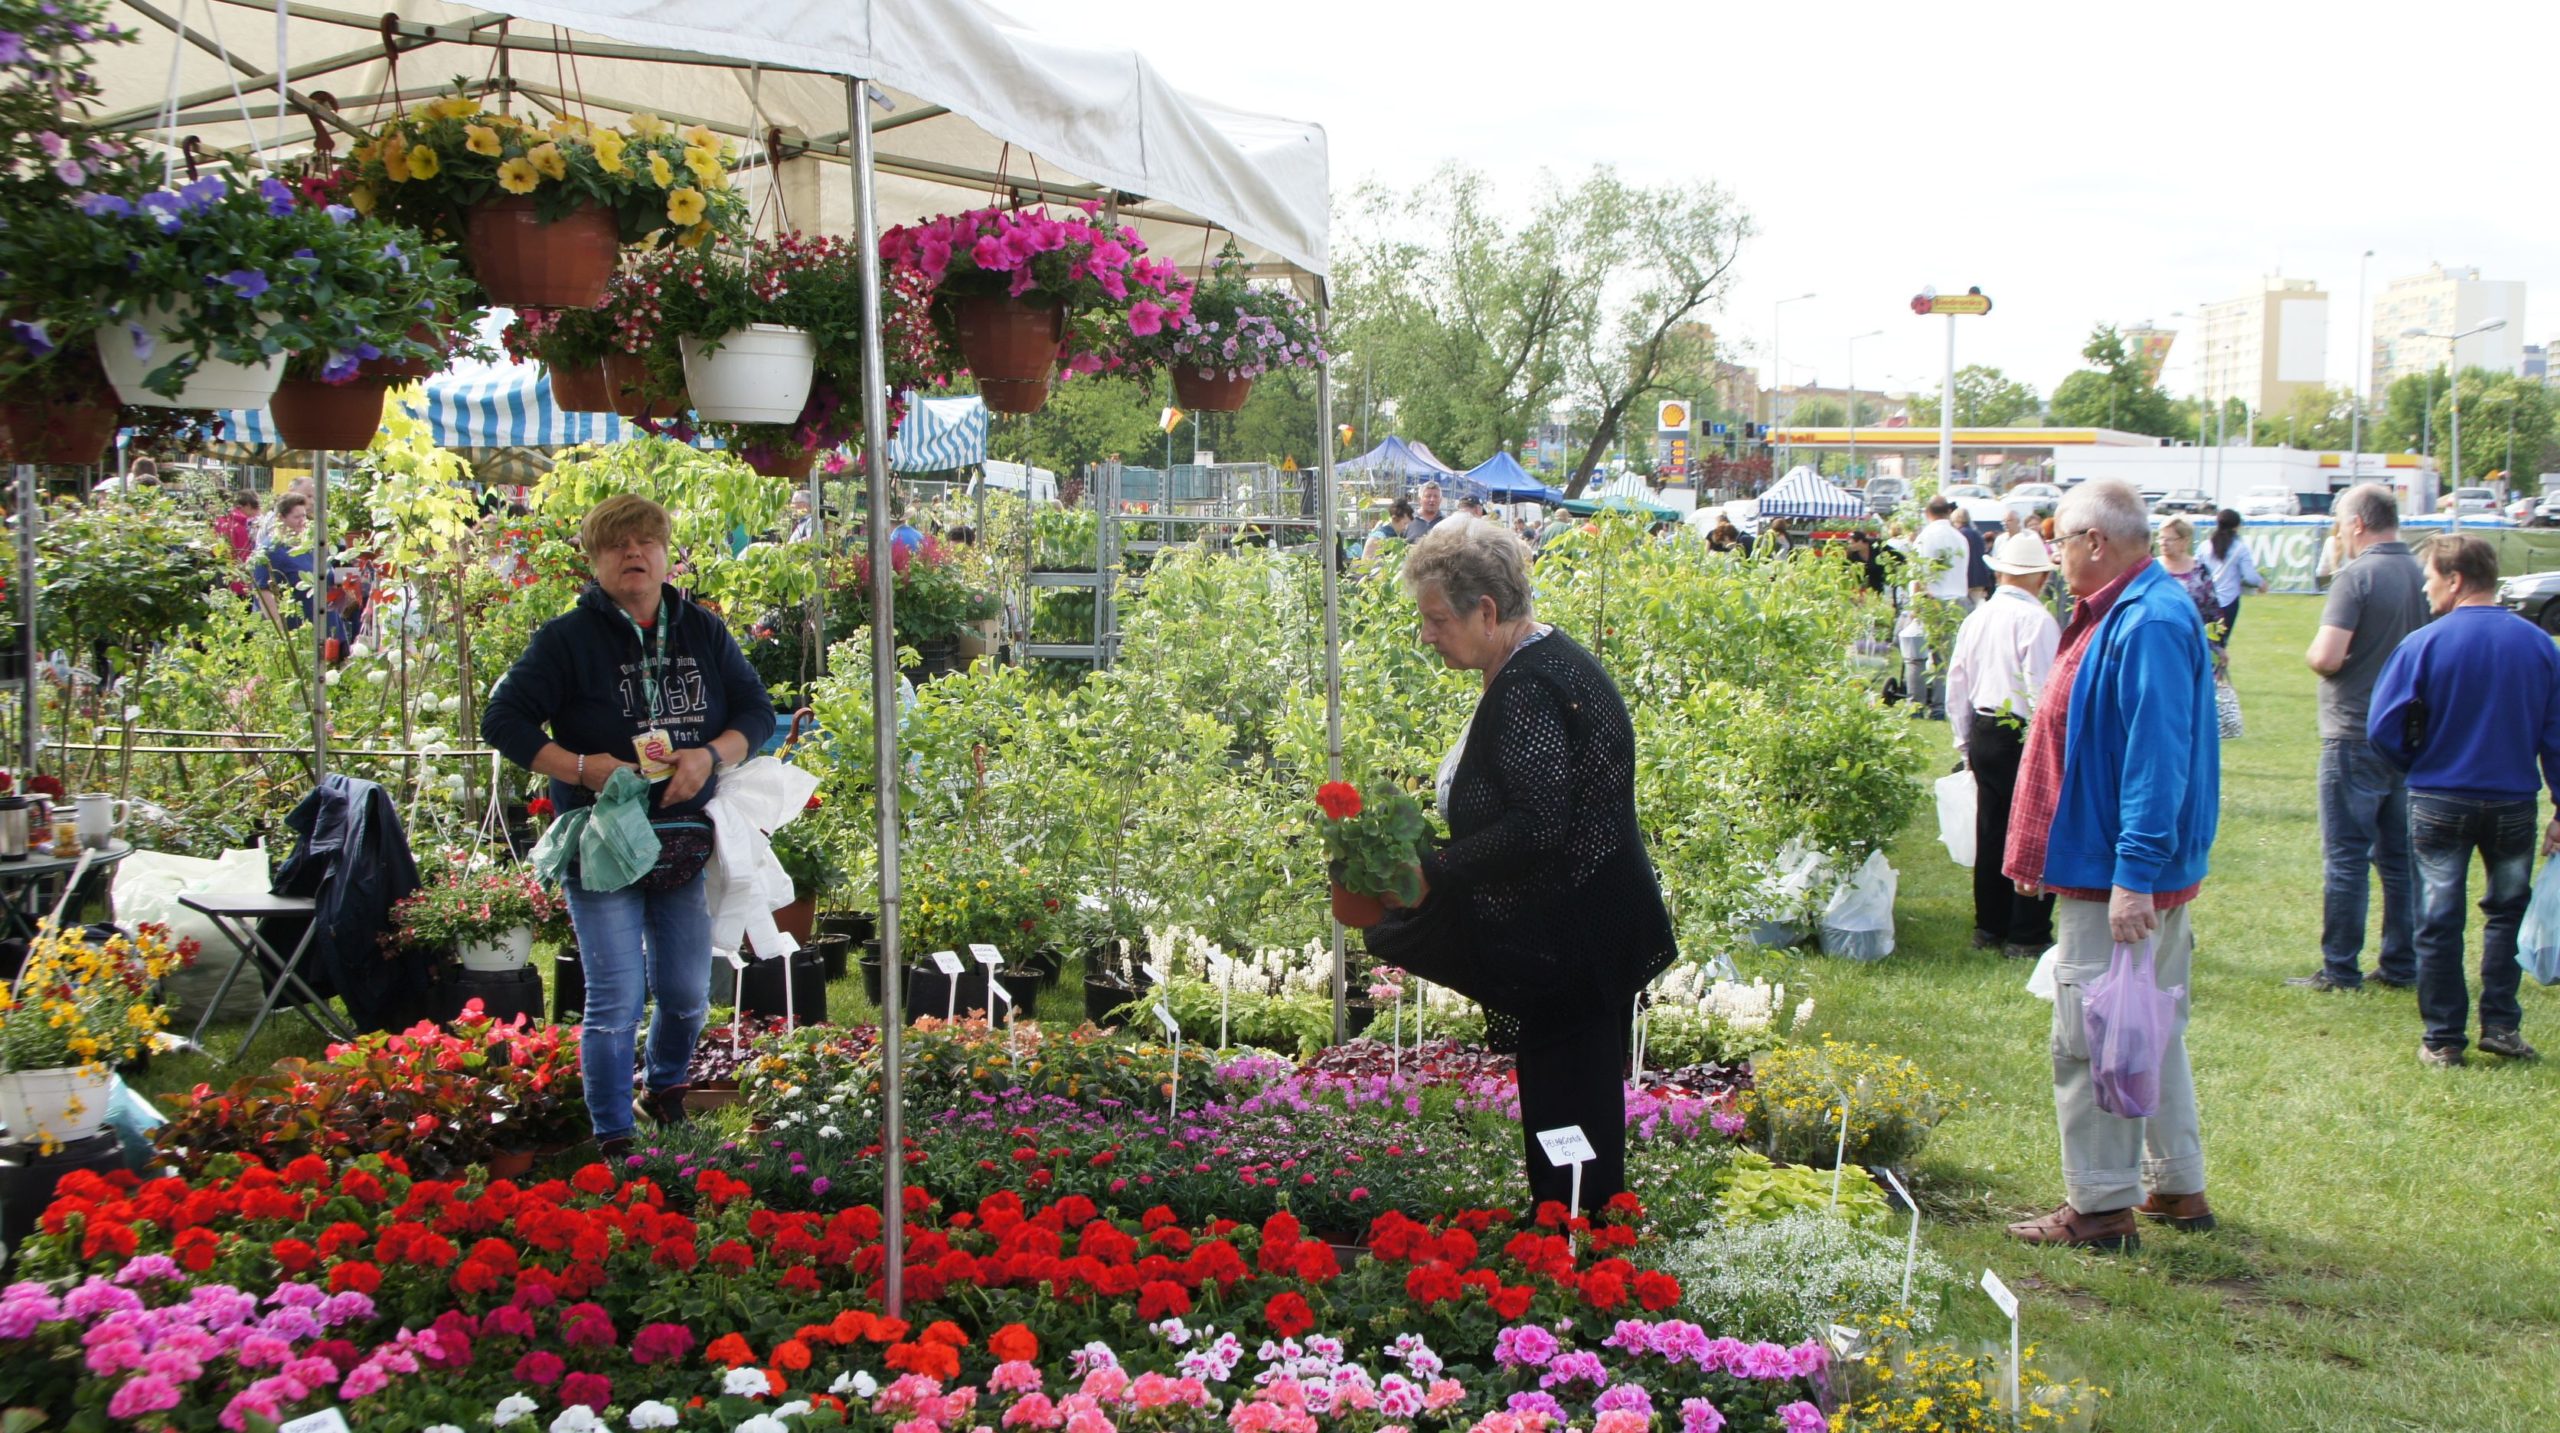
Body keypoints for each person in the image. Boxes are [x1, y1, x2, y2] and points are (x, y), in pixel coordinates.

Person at [1364, 519, 1675, 1212]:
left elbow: (1538, 824)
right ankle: (1574, 1232)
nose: (1427, 635)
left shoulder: (1531, 686)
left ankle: (1578, 1242)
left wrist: (1439, 867)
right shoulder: (1537, 662)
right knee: (1569, 1102)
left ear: (1486, 611)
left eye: (1437, 619)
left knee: (1570, 1108)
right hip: (1576, 937)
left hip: (1574, 946)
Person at [483, 494, 779, 1156]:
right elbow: (502, 719)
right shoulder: (566, 639)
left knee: (686, 992)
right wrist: (580, 767)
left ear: (667, 555)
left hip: (681, 839)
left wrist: (709, 755)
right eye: (617, 544)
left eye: (646, 541)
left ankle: (665, 1089)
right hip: (603, 843)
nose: (634, 553)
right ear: (595, 561)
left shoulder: (701, 630)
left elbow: (756, 711)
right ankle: (613, 1133)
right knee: (615, 996)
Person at [2004, 478, 2219, 1251]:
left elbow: (2156, 757)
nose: (2055, 555)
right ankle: (2177, 1183)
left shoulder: (2148, 618)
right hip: (2117, 863)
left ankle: (2099, 1205)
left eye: (2060, 540)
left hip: (2119, 873)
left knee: (2092, 1036)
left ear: (2095, 541)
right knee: (2145, 1026)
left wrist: (2134, 873)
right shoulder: (2130, 608)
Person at [2365, 534, 2560, 1066]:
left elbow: (2382, 727)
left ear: (2454, 580)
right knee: (2507, 912)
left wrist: (2417, 761)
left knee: (2438, 917)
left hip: (2439, 798)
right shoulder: (2540, 645)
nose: (2425, 590)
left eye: (2430, 579)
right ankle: (2501, 1024)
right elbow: (2556, 735)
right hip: (2513, 801)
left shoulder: (2423, 643)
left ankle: (2443, 1037)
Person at [2290, 484, 2429, 994]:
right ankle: (2401, 962)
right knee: (2400, 859)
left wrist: (2316, 658)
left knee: (2347, 857)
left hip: (2354, 730)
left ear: (2357, 524)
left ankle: (2340, 968)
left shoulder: (2357, 576)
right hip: (2410, 735)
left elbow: (2327, 656)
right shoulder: (2424, 573)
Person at [1946, 532, 2063, 959]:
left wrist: (1964, 742)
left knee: (1992, 828)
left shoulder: (1978, 618)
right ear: (2039, 578)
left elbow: (1957, 685)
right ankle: (2027, 931)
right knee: (2034, 830)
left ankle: (1990, 924)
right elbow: (2042, 690)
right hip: (2021, 730)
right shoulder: (2037, 621)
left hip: (1984, 727)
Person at [2200, 509, 2265, 645]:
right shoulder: (2240, 548)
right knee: (2220, 643)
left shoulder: (2204, 546)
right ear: (2237, 526)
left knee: (2204, 641)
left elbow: (2197, 570)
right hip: (2228, 601)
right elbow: (2250, 576)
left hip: (2206, 600)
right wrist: (2261, 583)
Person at [253, 493, 317, 629]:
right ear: (280, 518)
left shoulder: (307, 545)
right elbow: (263, 592)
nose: (302, 521)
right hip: (296, 628)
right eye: (297, 517)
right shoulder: (271, 550)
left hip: (319, 624)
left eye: (304, 516)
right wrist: (280, 630)